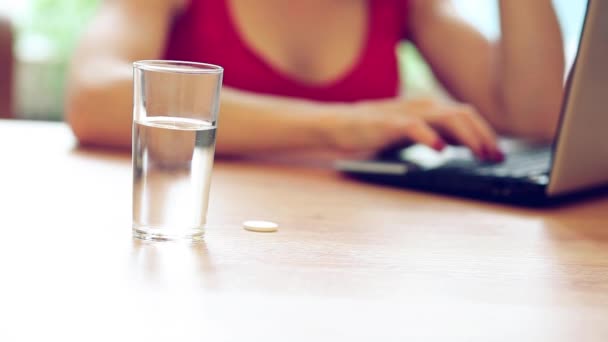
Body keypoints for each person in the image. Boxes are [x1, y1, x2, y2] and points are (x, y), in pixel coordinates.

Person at [65, 0, 565, 161]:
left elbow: (531, 115)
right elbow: (95, 98)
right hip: (201, 246)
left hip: (347, 260)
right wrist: (342, 125)